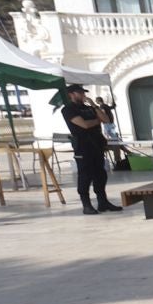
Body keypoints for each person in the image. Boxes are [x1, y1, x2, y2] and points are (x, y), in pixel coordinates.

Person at [61, 85, 122, 216]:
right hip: (83, 147)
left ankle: (103, 202)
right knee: (85, 175)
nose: (83, 95)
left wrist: (94, 106)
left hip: (97, 145)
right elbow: (84, 124)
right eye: (80, 93)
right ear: (71, 94)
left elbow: (106, 119)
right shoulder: (68, 109)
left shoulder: (89, 108)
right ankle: (86, 204)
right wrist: (97, 121)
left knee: (100, 174)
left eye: (83, 92)